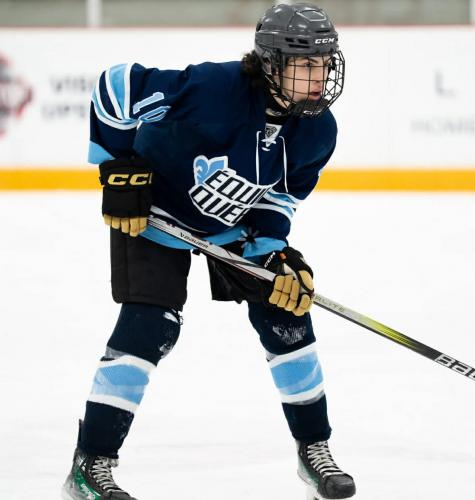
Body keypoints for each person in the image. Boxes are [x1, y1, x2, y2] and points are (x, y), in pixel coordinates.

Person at [62, 3, 355, 499]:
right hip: (154, 215)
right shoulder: (213, 89)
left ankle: (315, 449)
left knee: (287, 315)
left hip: (231, 227)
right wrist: (118, 170)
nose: (318, 77)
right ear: (270, 63)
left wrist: (275, 252)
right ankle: (90, 464)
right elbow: (115, 87)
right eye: (305, 64)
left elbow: (279, 199)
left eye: (324, 64)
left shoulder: (318, 130)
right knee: (149, 326)